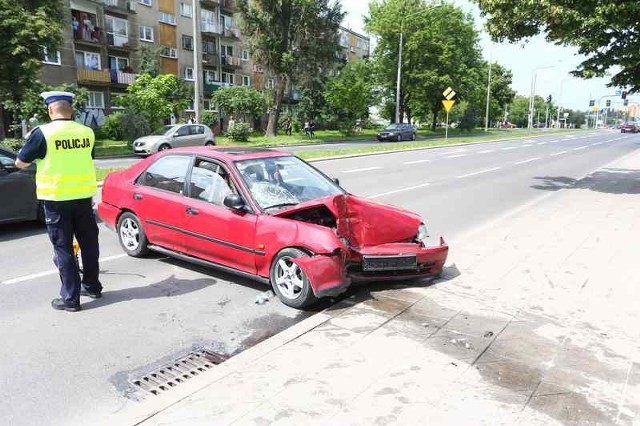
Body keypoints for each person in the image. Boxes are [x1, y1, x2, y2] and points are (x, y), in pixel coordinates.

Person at [15, 91, 102, 312]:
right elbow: (87, 157)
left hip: (56, 200)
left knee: (63, 249)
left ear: (50, 110)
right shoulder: (87, 132)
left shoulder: (42, 133)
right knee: (89, 244)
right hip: (83, 198)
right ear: (71, 110)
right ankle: (92, 286)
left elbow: (20, 163)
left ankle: (70, 299)